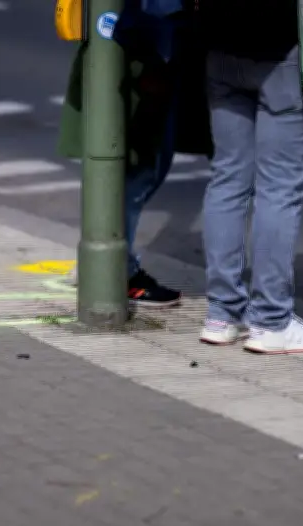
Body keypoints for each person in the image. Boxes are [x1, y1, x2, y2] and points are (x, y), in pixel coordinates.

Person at [197, 0, 303, 353]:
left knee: (227, 180)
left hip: (221, 47)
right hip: (283, 50)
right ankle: (271, 320)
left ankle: (222, 314)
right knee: (279, 190)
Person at [56, 3, 212, 308]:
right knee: (140, 166)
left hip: (136, 36)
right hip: (146, 41)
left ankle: (104, 255)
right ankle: (114, 266)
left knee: (139, 162)